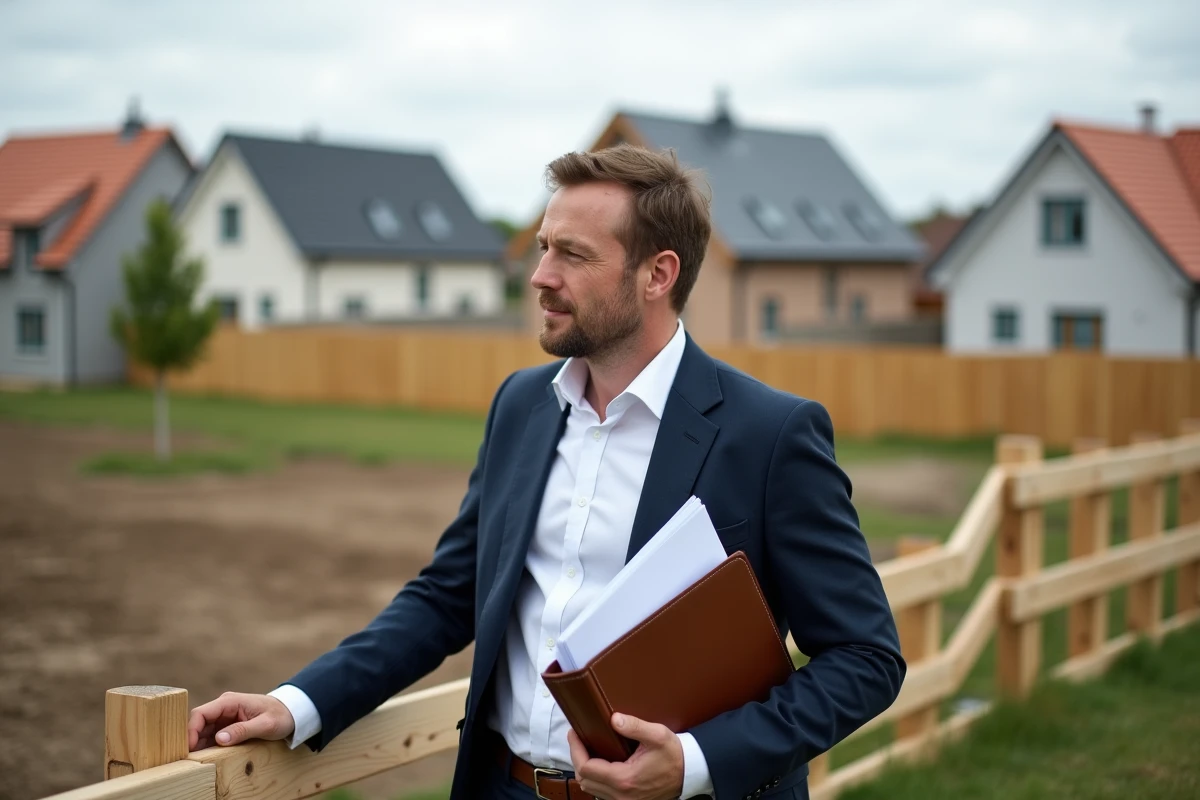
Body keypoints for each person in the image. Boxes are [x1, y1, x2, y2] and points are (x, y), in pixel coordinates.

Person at [188, 144, 904, 800]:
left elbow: (866, 657)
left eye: (572, 254)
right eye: (541, 247)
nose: (540, 276)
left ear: (658, 274)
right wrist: (297, 702)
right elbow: (448, 594)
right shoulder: (521, 405)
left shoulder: (771, 434)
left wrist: (695, 761)